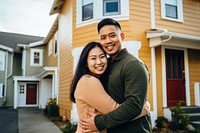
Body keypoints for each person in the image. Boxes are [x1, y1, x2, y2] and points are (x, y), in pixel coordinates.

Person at [80, 18, 152, 133]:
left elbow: (134, 106)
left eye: (112, 35)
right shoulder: (105, 66)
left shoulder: (133, 65)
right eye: (103, 38)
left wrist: (99, 122)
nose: (108, 41)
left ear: (122, 36)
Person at [70, 42, 150, 133]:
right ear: (85, 63)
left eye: (102, 56)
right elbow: (116, 111)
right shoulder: (88, 81)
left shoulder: (97, 80)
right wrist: (145, 108)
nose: (99, 62)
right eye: (93, 58)